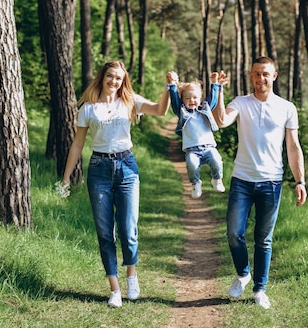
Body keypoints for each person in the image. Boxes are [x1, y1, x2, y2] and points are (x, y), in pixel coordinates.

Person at [56, 60, 173, 308]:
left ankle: (131, 275)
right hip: (99, 170)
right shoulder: (88, 108)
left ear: (123, 81)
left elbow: (160, 110)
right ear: (102, 77)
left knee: (128, 229)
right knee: (104, 232)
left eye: (118, 78)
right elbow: (77, 144)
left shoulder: (129, 101)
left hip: (127, 168)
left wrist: (168, 87)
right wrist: (66, 177)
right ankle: (115, 289)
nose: (114, 81)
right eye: (110, 76)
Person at [212, 56, 307, 310]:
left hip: (272, 182)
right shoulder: (241, 103)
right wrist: (218, 91)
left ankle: (260, 290)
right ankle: (243, 274)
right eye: (256, 74)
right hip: (242, 180)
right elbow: (221, 121)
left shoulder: (287, 108)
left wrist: (300, 181)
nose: (260, 78)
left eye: (265, 74)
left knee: (264, 239)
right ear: (251, 76)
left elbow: (293, 147)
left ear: (274, 76)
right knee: (234, 234)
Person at [167, 71, 226, 198]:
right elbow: (174, 101)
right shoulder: (182, 111)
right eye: (187, 98)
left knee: (217, 161)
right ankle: (195, 183)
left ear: (200, 99)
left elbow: (213, 99)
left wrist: (215, 83)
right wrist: (172, 84)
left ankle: (217, 179)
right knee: (191, 165)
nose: (191, 100)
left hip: (209, 147)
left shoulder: (205, 108)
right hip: (192, 150)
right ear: (182, 100)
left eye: (195, 98)